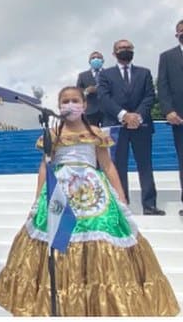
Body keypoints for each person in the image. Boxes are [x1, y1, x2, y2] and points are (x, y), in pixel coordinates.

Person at [0, 86, 180, 316]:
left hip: (93, 189)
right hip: (60, 190)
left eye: (74, 100)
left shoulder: (97, 133)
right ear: (59, 106)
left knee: (103, 232)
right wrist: (38, 198)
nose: (70, 105)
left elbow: (108, 165)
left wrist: (121, 196)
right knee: (60, 238)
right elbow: (44, 166)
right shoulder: (52, 134)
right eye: (65, 101)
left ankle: (99, 300)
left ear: (84, 104)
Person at [97, 39, 165, 215]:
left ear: (133, 51)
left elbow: (150, 96)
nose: (124, 50)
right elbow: (104, 99)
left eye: (128, 48)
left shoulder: (144, 73)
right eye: (121, 48)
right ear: (114, 53)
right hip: (116, 126)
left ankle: (149, 205)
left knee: (145, 165)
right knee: (118, 166)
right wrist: (124, 115)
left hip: (141, 126)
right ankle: (121, 204)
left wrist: (136, 116)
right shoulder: (105, 75)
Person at [157, 19, 183, 216]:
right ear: (176, 34)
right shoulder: (167, 57)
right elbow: (163, 86)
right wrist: (168, 110)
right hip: (179, 117)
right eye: (180, 31)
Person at [76, 51, 105, 126]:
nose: (96, 59)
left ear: (103, 61)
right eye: (93, 58)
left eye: (98, 58)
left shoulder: (109, 74)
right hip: (90, 111)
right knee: (91, 135)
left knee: (108, 135)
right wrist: (86, 91)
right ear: (89, 61)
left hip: (107, 111)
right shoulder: (83, 76)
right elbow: (77, 93)